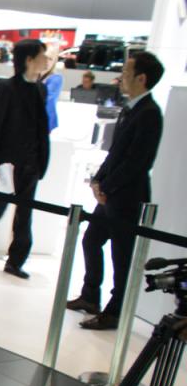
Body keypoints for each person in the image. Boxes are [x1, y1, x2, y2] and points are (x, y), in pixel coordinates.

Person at [67, 52, 165, 329]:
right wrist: (98, 181)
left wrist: (106, 187)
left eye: (126, 72)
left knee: (121, 257)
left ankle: (115, 312)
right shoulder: (130, 109)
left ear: (141, 78)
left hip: (128, 197)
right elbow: (115, 153)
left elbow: (138, 161)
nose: (121, 77)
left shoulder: (150, 113)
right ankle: (90, 296)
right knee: (91, 240)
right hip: (111, 194)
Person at [0, 39, 51, 279]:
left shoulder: (40, 89)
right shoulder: (7, 88)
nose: (46, 61)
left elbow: (41, 127)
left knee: (25, 214)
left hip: (31, 163)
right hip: (7, 163)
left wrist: (41, 160)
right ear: (29, 60)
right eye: (42, 56)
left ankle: (16, 262)